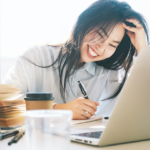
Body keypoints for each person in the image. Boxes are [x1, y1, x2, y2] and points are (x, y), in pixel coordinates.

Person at [3, 0, 149, 120]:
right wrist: (58, 109)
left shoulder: (110, 72)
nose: (101, 48)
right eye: (100, 34)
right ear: (84, 23)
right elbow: (4, 105)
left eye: (112, 44)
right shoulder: (36, 56)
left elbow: (142, 106)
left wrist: (142, 48)